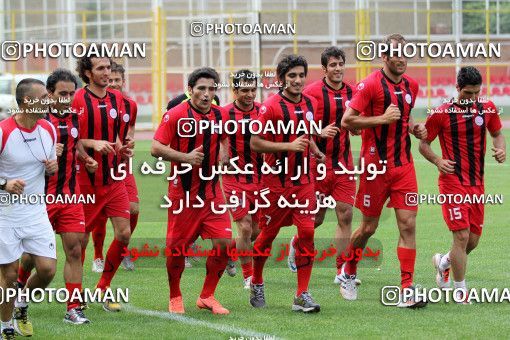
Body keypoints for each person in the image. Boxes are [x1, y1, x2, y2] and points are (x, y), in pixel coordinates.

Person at [341, 34, 427, 308]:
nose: (402, 59)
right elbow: (348, 121)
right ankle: (348, 271)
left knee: (409, 224)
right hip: (374, 168)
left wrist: (415, 127)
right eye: (396, 54)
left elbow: (405, 115)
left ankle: (406, 288)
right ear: (385, 57)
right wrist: (382, 118)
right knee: (368, 226)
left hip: (404, 166)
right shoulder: (369, 85)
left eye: (406, 54)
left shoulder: (412, 84)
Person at [249, 54, 338, 313]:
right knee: (267, 235)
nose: (298, 80)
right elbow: (255, 142)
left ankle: (301, 294)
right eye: (292, 76)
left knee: (308, 233)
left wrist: (316, 145)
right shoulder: (270, 106)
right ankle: (256, 280)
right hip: (275, 183)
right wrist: (288, 146)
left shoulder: (309, 103)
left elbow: (304, 132)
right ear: (281, 79)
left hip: (304, 181)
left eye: (301, 75)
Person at [15, 69, 98, 325]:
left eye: (72, 94)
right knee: (32, 254)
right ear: (48, 94)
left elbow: (77, 143)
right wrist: (47, 153)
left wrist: (86, 158)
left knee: (75, 249)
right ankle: (18, 286)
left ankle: (73, 308)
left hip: (71, 196)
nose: (68, 99)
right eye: (62, 93)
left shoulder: (75, 117)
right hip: (41, 198)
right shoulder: (38, 122)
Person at [419, 66, 505, 303]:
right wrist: (437, 160)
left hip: (477, 184)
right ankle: (459, 290)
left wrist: (501, 148)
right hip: (452, 182)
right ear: (457, 88)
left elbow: (497, 133)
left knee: (473, 241)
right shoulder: (441, 113)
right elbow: (423, 144)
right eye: (468, 93)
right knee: (461, 236)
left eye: (477, 93)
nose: (473, 98)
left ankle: (444, 262)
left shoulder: (486, 108)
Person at [151, 67, 232, 315]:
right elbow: (155, 148)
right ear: (190, 90)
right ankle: (175, 295)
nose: (206, 94)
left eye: (211, 89)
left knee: (225, 245)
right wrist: (185, 157)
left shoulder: (221, 115)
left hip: (211, 193)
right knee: (177, 250)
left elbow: (224, 137)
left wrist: (224, 151)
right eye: (201, 89)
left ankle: (207, 296)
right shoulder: (175, 115)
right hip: (183, 195)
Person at [285, 47, 361, 286]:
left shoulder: (352, 92)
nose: (338, 68)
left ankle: (341, 270)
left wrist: (357, 127)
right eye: (333, 65)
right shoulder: (311, 93)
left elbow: (355, 124)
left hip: (343, 163)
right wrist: (318, 131)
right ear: (325, 69)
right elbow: (297, 124)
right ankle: (296, 244)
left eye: (341, 64)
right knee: (315, 219)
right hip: (316, 163)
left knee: (345, 214)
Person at [72, 55, 134, 312]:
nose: (107, 72)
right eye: (100, 68)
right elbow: (71, 139)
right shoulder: (77, 100)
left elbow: (117, 138)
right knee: (80, 242)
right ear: (87, 73)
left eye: (108, 67)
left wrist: (124, 149)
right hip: (85, 182)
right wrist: (90, 148)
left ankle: (103, 287)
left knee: (124, 233)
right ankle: (74, 297)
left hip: (114, 179)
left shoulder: (117, 99)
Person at [0, 78, 58, 338]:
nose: (48, 101)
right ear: (25, 102)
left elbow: (50, 166)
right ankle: (5, 326)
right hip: (5, 214)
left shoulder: (48, 128)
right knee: (9, 276)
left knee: (47, 270)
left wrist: (51, 168)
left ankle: (21, 305)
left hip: (36, 211)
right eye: (42, 97)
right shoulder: (3, 131)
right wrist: (5, 183)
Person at [91, 61, 139, 273]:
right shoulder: (92, 102)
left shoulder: (130, 105)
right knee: (100, 215)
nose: (113, 83)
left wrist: (129, 143)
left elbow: (130, 131)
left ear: (123, 81)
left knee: (134, 208)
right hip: (98, 168)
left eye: (116, 80)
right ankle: (98, 256)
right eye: (109, 80)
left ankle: (122, 248)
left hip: (121, 166)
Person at [221, 69, 263, 288]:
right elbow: (213, 137)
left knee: (257, 230)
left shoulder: (264, 111)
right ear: (234, 90)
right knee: (245, 228)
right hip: (233, 177)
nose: (250, 94)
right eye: (245, 90)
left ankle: (231, 250)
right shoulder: (223, 113)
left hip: (260, 177)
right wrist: (222, 153)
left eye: (253, 90)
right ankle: (249, 276)